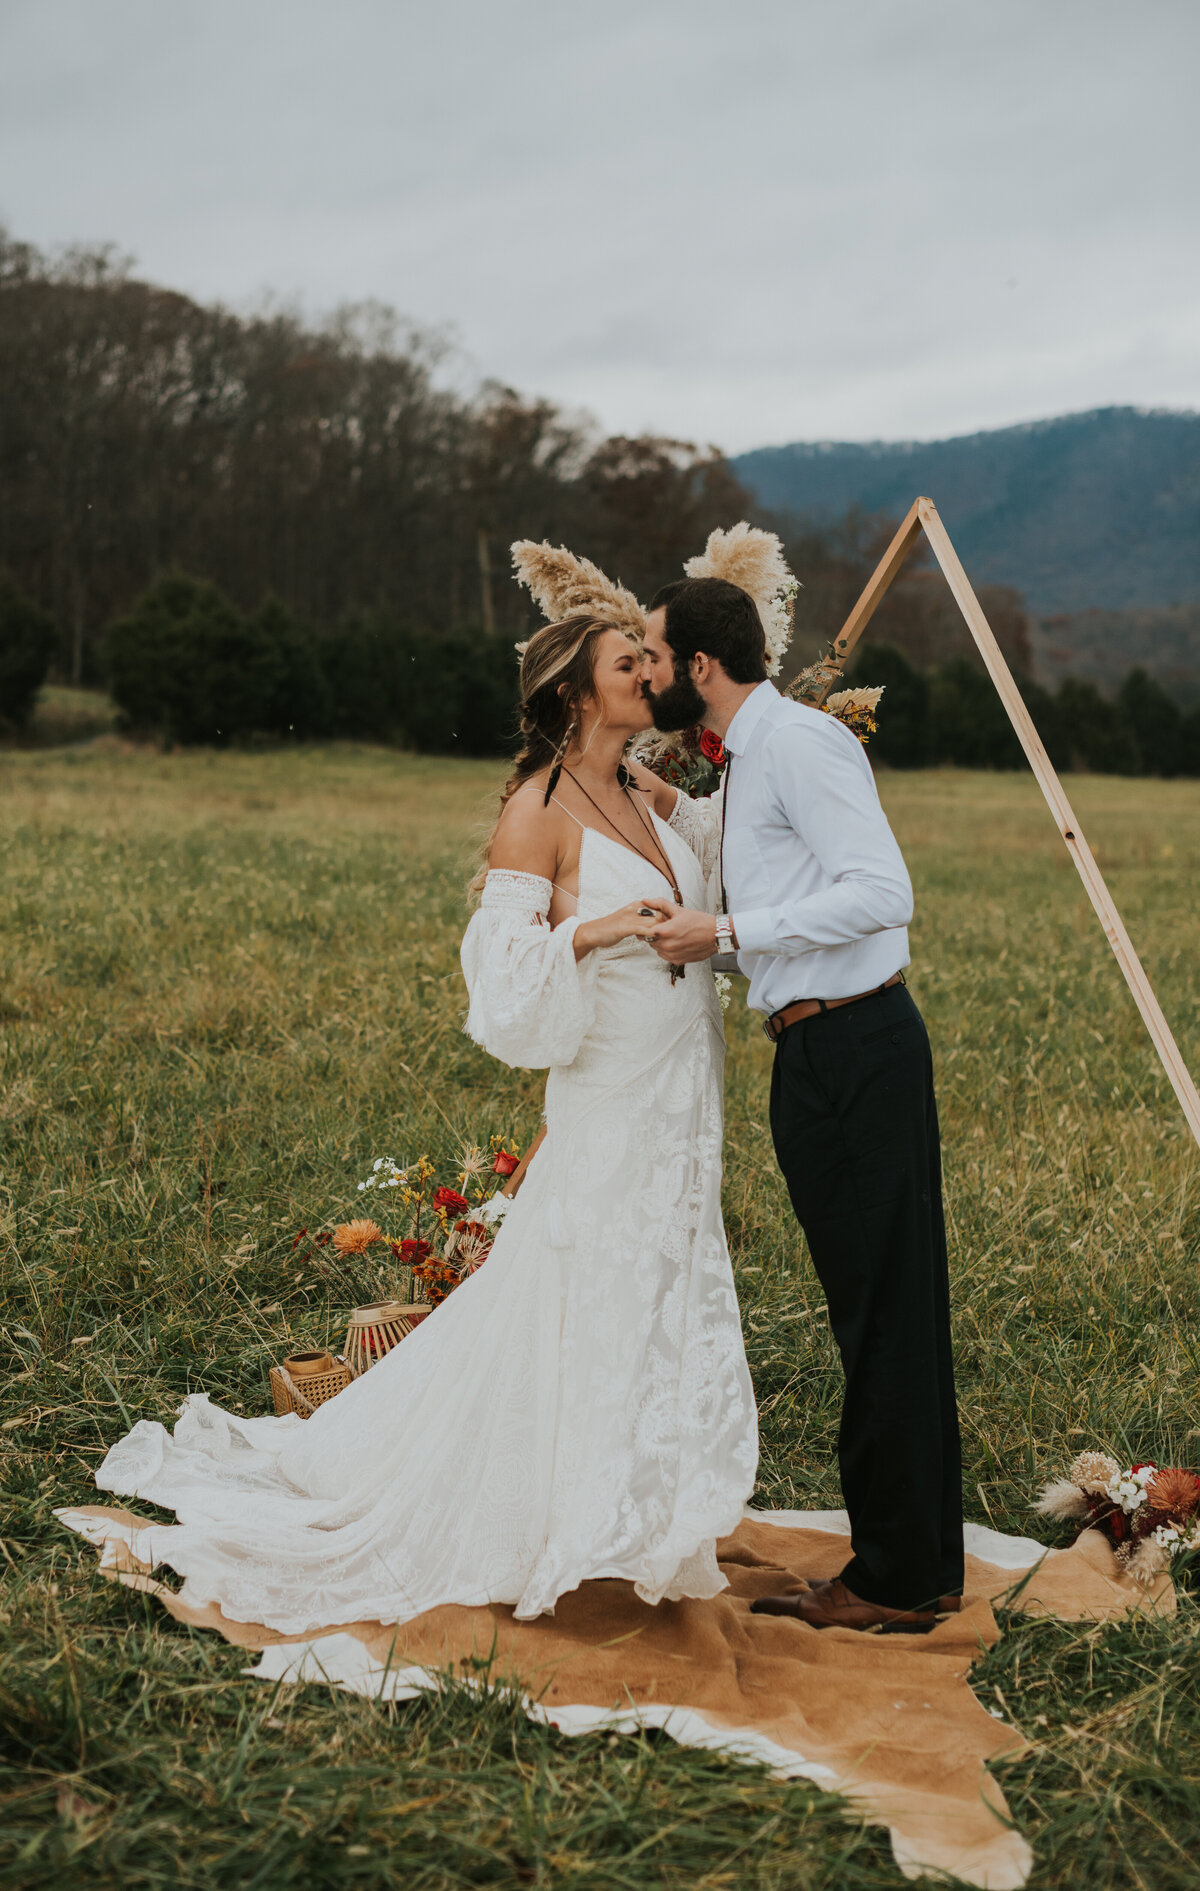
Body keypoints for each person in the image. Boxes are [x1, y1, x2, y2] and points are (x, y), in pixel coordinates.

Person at [57, 610, 758, 1635]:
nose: (651, 673)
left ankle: (624, 1507)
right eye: (628, 663)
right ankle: (539, 1515)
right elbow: (498, 976)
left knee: (653, 1274)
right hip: (611, 1087)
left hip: (680, 1084)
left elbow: (722, 857)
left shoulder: (641, 794)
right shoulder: (539, 808)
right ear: (576, 694)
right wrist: (589, 930)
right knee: (584, 1279)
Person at [640, 576, 964, 1633]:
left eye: (654, 655)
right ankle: (903, 1555)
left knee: (886, 1312)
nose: (647, 674)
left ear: (700, 666)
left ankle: (899, 1578)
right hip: (813, 1051)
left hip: (861, 1045)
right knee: (862, 1306)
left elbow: (883, 891)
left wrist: (720, 936)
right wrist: (675, 812)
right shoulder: (744, 766)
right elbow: (771, 874)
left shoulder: (805, 743)